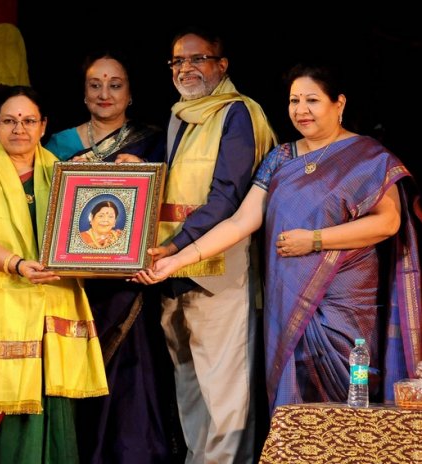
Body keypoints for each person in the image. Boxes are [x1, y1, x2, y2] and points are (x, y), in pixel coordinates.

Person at [134, 62, 421, 415]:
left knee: (351, 404)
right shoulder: (281, 158)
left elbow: (388, 222)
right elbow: (240, 221)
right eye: (294, 101)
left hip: (346, 305)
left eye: (312, 100)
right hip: (288, 302)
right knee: (295, 402)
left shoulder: (368, 157)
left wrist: (315, 240)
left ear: (339, 103)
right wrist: (176, 260)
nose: (301, 110)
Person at [0, 85, 108, 463]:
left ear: (43, 126)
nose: (19, 129)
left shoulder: (67, 176)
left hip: (54, 305)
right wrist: (17, 265)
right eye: (9, 121)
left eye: (28, 121)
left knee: (53, 403)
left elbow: (98, 235)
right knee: (0, 406)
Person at [148, 27, 277, 464]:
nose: (185, 68)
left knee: (225, 397)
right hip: (172, 273)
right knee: (190, 392)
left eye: (197, 59)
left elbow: (228, 195)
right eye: (178, 61)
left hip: (219, 272)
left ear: (222, 65)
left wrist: (176, 246)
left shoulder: (239, 112)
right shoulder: (180, 115)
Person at [46, 50, 180, 464]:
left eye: (115, 85)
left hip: (131, 284)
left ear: (130, 93)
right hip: (73, 285)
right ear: (84, 93)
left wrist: (144, 168)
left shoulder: (155, 141)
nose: (105, 93)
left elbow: (172, 204)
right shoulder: (57, 145)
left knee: (132, 377)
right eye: (95, 85)